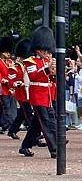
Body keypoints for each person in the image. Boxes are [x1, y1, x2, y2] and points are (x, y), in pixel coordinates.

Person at [19, 27, 57, 158]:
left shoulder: (46, 61)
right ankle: (55, 148)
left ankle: (25, 146)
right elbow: (34, 76)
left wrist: (55, 72)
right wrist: (47, 69)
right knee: (46, 122)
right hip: (37, 95)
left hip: (47, 95)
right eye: (43, 50)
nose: (46, 52)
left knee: (38, 124)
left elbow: (51, 78)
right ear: (37, 49)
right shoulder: (29, 61)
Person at [7, 39, 32, 140]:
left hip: (27, 93)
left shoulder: (27, 65)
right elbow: (11, 81)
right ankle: (36, 135)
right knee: (29, 116)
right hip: (21, 94)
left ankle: (12, 130)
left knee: (21, 114)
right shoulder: (15, 67)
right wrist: (17, 84)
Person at [0, 36, 15, 133]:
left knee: (7, 108)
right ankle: (11, 125)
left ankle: (3, 124)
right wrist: (2, 80)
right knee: (7, 108)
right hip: (2, 88)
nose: (8, 54)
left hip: (11, 88)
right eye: (6, 52)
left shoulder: (10, 62)